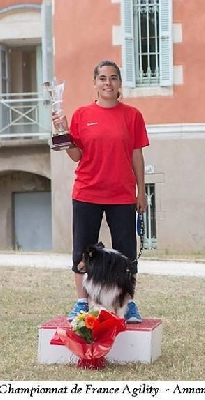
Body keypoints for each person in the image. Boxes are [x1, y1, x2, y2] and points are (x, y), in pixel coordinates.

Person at [56, 60, 150, 321]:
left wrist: (141, 192)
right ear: (95, 83)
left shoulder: (132, 116)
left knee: (126, 252)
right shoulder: (82, 115)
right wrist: (61, 133)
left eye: (113, 78)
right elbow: (76, 155)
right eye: (102, 78)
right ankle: (81, 303)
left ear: (119, 83)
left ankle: (127, 303)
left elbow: (137, 156)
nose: (108, 83)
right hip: (87, 192)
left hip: (121, 194)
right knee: (82, 251)